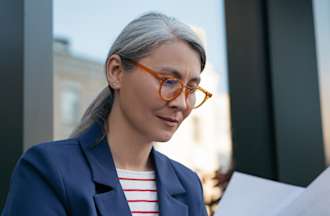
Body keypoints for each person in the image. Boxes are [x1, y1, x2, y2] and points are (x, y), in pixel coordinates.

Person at [2, 12, 212, 216]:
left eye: (192, 89)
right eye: (168, 81)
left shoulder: (188, 184)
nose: (181, 103)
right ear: (116, 72)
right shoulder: (48, 169)